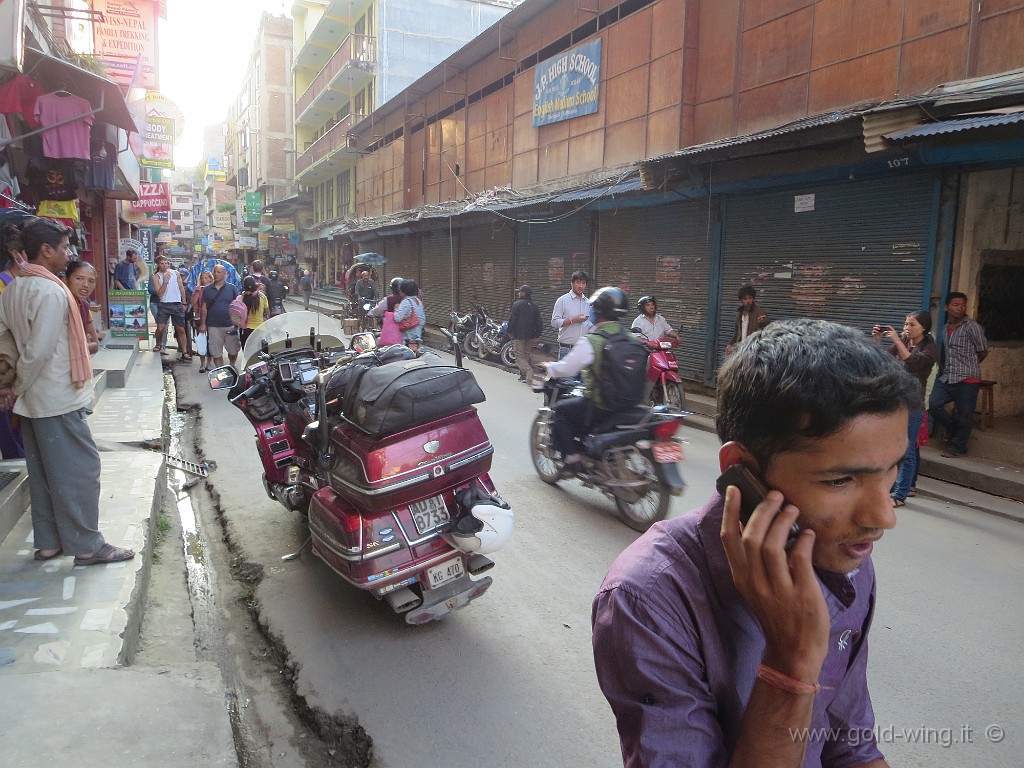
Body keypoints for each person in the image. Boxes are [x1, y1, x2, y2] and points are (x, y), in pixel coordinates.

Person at [592, 319, 919, 767]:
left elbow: (851, 747)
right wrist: (790, 666)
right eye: (841, 480)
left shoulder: (845, 561)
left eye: (891, 473)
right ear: (742, 469)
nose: (882, 518)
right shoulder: (648, 599)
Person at [0, 217, 135, 565]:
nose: (69, 253)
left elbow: (7, 344)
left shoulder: (13, 288)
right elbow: (38, 351)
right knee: (78, 472)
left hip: (33, 401)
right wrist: (16, 386)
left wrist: (12, 385)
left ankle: (49, 542)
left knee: (44, 472)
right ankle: (88, 546)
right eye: (63, 247)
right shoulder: (50, 290)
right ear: (45, 251)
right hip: (53, 397)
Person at [544, 286, 631, 466]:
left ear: (598, 311)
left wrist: (549, 367)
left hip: (600, 405)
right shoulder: (631, 337)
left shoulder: (593, 340)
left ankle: (572, 456)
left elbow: (566, 368)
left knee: (560, 411)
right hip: (627, 405)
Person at [872, 311, 939, 506]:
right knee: (893, 448)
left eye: (912, 325)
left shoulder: (930, 349)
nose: (907, 328)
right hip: (895, 400)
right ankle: (890, 488)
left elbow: (913, 363)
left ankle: (900, 494)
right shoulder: (903, 342)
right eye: (905, 324)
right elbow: (881, 362)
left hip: (913, 404)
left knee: (907, 450)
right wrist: (877, 340)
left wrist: (897, 340)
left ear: (923, 328)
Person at [928, 292, 988, 458]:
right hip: (948, 376)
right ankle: (953, 429)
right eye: (955, 305)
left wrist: (970, 366)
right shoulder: (945, 328)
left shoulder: (973, 327)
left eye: (963, 305)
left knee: (964, 415)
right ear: (946, 307)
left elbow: (983, 352)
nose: (960, 308)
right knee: (933, 404)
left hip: (968, 377)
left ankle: (958, 447)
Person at [199, 263, 241, 367]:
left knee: (233, 350)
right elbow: (203, 307)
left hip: (230, 325)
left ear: (225, 274)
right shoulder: (208, 289)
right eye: (215, 272)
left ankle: (232, 366)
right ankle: (221, 371)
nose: (216, 274)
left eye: (219, 272)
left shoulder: (232, 288)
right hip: (213, 326)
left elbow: (238, 306)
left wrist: (239, 322)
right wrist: (203, 324)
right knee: (216, 352)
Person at [152, 256, 190, 360]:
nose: (165, 265)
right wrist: (165, 281)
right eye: (162, 264)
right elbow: (159, 293)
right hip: (164, 304)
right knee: (160, 328)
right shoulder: (156, 276)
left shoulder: (175, 273)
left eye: (166, 263)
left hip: (176, 303)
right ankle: (158, 344)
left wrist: (184, 302)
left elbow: (181, 288)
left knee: (180, 329)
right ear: (158, 265)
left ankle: (185, 351)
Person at [551, 270, 591, 360]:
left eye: (583, 283)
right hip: (567, 349)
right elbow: (554, 322)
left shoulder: (587, 302)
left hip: (582, 350)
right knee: (565, 375)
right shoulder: (562, 300)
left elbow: (587, 323)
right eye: (578, 282)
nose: (581, 286)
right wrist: (573, 320)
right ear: (572, 283)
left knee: (580, 374)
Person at [508, 284, 543, 385]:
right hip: (531, 336)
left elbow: (512, 320)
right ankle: (523, 376)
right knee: (526, 354)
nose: (519, 293)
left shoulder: (517, 304)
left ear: (524, 293)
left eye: (520, 292)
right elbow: (539, 321)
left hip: (519, 335)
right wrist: (538, 334)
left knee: (519, 355)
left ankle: (528, 371)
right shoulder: (534, 306)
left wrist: (510, 331)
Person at [63, 260, 99, 354]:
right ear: (66, 279)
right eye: (79, 278)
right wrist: (83, 344)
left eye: (91, 281)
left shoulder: (84, 306)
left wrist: (77, 346)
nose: (85, 285)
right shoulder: (59, 303)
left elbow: (95, 345)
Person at [725, 283, 770, 355]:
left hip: (753, 349)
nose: (748, 301)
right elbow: (737, 332)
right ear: (741, 300)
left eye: (750, 298)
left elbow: (768, 330)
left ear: (753, 298)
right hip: (741, 349)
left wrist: (764, 322)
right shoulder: (739, 315)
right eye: (745, 298)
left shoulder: (759, 312)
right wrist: (731, 344)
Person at [392, 278, 425, 353]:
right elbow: (422, 319)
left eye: (401, 289)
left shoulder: (406, 302)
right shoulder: (418, 301)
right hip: (417, 334)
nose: (399, 291)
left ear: (405, 291)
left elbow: (398, 318)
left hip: (408, 336)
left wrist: (396, 309)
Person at [191, 270, 214, 372]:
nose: (204, 280)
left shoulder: (214, 289)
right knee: (201, 340)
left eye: (206, 278)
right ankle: (202, 363)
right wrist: (197, 291)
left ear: (210, 279)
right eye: (202, 278)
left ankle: (209, 363)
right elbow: (192, 302)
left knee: (211, 341)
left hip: (213, 316)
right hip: (200, 317)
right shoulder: (198, 289)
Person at [239, 275, 268, 348]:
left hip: (246, 330)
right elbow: (267, 312)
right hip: (260, 329)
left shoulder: (242, 297)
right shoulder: (262, 297)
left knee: (247, 353)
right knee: (259, 354)